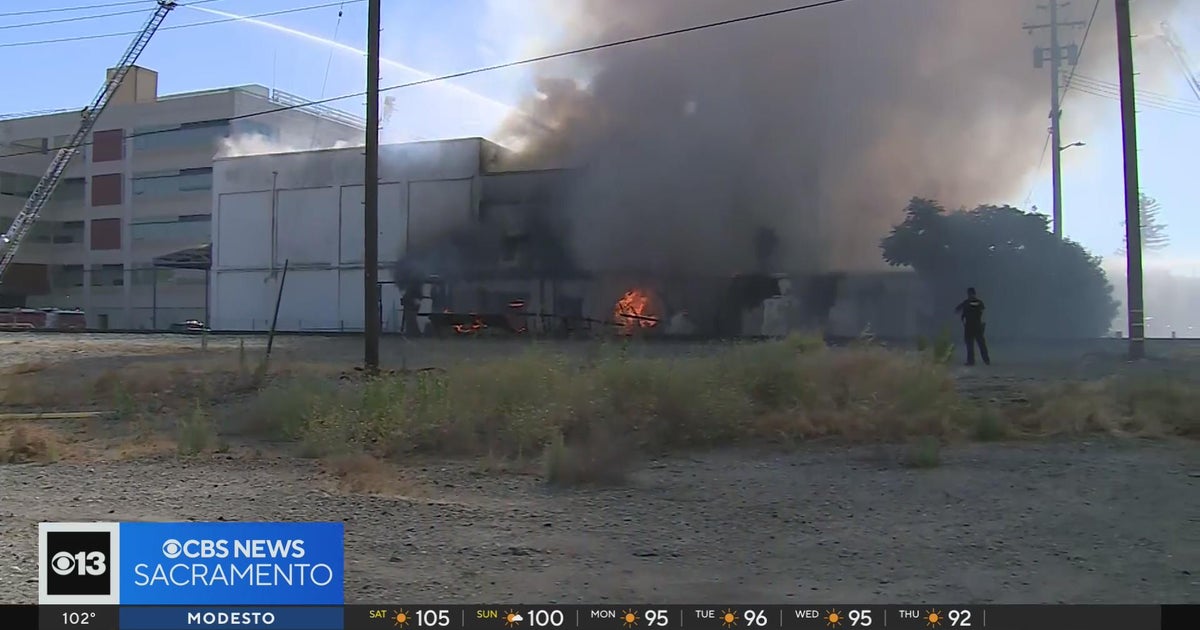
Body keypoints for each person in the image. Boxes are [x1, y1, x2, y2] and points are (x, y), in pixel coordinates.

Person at [954, 287, 990, 366]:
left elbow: (957, 310)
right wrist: (983, 325)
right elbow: (983, 315)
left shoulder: (966, 302)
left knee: (970, 345)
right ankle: (986, 361)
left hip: (969, 327)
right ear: (975, 293)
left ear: (969, 293)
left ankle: (971, 361)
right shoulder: (979, 303)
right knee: (981, 345)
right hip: (977, 326)